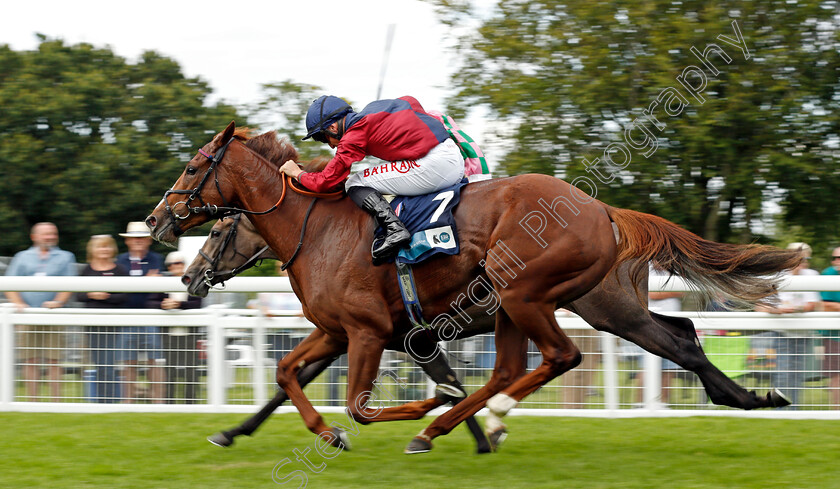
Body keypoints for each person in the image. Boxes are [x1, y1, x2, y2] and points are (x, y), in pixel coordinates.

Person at [278, 95, 465, 264]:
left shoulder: (354, 134)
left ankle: (395, 230)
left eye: (324, 139)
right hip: (454, 156)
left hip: (436, 165)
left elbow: (327, 181)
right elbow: (411, 101)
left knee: (354, 182)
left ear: (333, 127)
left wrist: (297, 173)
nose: (331, 146)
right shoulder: (375, 108)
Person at [4, 222, 77, 401]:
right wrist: (19, 305)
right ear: (34, 237)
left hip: (55, 316)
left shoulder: (66, 256)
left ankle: (56, 402)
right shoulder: (22, 257)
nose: (50, 237)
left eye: (53, 234)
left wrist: (58, 302)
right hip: (28, 317)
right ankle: (32, 401)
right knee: (30, 360)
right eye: (46, 234)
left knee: (54, 360)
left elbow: (69, 284)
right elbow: (9, 285)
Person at [754, 242, 821, 408]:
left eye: (805, 258)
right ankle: (781, 409)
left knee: (798, 375)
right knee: (783, 374)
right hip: (782, 333)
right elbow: (760, 306)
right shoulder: (777, 275)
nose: (803, 262)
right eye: (799, 258)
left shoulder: (811, 275)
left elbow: (812, 303)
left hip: (803, 334)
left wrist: (796, 308)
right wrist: (780, 310)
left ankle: (795, 409)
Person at [115, 221, 165, 403]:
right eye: (134, 238)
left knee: (155, 360)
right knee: (128, 361)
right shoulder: (119, 260)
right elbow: (122, 288)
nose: (138, 241)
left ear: (149, 240)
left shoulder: (156, 259)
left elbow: (156, 288)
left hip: (150, 316)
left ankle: (158, 401)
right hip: (126, 316)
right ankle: (127, 400)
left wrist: (139, 284)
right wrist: (146, 280)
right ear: (127, 241)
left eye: (142, 238)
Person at [146, 252, 203, 404]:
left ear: (184, 265)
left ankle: (191, 402)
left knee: (191, 369)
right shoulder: (163, 284)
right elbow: (151, 302)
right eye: (172, 264)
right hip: (168, 335)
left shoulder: (193, 282)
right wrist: (163, 305)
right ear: (168, 267)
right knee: (169, 369)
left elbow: (197, 304)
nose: (176, 266)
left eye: (179, 263)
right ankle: (169, 401)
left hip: (190, 334)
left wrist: (178, 305)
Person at [76, 234, 128, 403]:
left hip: (114, 323)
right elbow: (79, 295)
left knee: (110, 363)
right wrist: (92, 295)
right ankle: (101, 400)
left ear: (112, 249)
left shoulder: (120, 270)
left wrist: (105, 297)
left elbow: (125, 297)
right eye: (100, 246)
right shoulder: (86, 270)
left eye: (107, 246)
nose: (104, 249)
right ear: (92, 250)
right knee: (99, 363)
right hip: (92, 323)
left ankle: (111, 400)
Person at [648, 265, 687, 406]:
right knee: (647, 367)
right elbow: (652, 293)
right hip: (652, 324)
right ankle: (641, 404)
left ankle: (663, 404)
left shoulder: (673, 270)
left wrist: (673, 291)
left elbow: (684, 290)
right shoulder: (648, 269)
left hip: (673, 325)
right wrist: (676, 291)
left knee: (669, 366)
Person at [818, 246, 840, 406]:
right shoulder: (828, 274)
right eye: (835, 258)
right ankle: (836, 412)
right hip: (834, 336)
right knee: (836, 376)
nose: (836, 262)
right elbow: (826, 305)